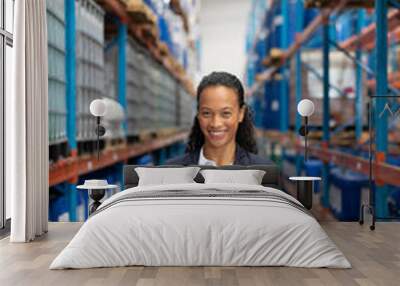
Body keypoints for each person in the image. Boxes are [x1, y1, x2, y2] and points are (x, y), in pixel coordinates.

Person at [166, 71, 273, 166]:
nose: (215, 123)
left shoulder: (264, 173)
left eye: (226, 113)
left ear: (241, 114)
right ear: (198, 114)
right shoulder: (173, 172)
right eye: (207, 113)